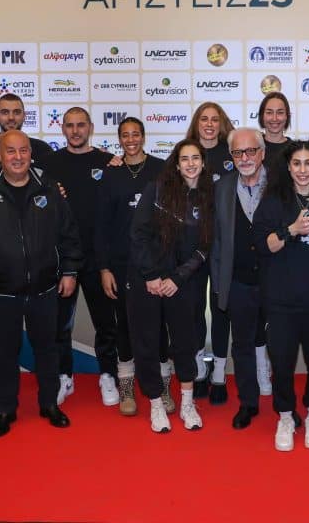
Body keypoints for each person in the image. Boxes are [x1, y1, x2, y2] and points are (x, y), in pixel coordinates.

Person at [0, 130, 83, 438]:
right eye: (11, 151)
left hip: (45, 287)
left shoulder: (50, 188)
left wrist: (69, 272)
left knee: (48, 349)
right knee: (4, 352)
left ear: (31, 153)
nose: (18, 157)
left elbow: (69, 233)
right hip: (1, 290)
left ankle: (49, 404)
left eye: (23, 150)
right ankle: (6, 409)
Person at [127, 138, 213, 433]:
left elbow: (205, 247)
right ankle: (155, 403)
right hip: (147, 281)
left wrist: (177, 278)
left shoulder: (208, 196)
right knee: (147, 343)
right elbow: (138, 234)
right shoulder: (156, 189)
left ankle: (188, 403)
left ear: (203, 162)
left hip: (182, 282)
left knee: (186, 342)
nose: (190, 164)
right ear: (176, 164)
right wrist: (151, 276)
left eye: (195, 158)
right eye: (184, 159)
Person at [254, 141, 309, 450]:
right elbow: (263, 245)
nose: (302, 170)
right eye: (297, 163)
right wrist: (293, 229)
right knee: (283, 362)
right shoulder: (273, 200)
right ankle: (285, 416)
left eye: (308, 163)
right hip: (281, 300)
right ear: (288, 167)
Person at [95, 118, 170, 416]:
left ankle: (162, 385)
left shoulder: (161, 169)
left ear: (143, 136)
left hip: (155, 263)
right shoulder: (111, 173)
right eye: (125, 135)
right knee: (124, 326)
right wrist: (104, 268)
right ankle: (126, 386)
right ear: (119, 139)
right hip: (121, 264)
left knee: (159, 326)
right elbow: (101, 225)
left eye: (135, 134)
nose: (131, 140)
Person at [48, 107, 115, 406]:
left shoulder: (108, 162)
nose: (75, 131)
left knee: (106, 323)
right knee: (60, 325)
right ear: (63, 129)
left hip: (98, 259)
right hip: (63, 260)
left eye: (81, 125)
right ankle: (64, 376)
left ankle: (108, 375)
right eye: (70, 125)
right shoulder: (48, 164)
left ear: (90, 127)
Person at [210, 128, 268, 427]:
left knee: (281, 344)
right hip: (238, 282)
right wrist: (220, 283)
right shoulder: (222, 187)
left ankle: (285, 405)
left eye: (250, 151)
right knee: (242, 345)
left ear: (262, 153)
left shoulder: (281, 185)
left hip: (276, 281)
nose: (244, 158)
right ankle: (248, 403)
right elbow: (217, 240)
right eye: (237, 152)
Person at [184, 102, 235, 398]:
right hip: (191, 244)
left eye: (215, 119)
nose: (209, 124)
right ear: (196, 122)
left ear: (222, 123)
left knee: (220, 307)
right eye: (204, 119)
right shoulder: (186, 153)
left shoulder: (231, 154)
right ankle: (198, 370)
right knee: (193, 308)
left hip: (222, 246)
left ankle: (218, 373)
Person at [0, 93, 55, 173]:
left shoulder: (42, 150)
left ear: (24, 116)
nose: (11, 117)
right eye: (5, 112)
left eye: (16, 112)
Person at [258, 91, 294, 165]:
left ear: (287, 116)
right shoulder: (253, 147)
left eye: (280, 113)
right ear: (262, 116)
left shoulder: (295, 150)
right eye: (269, 113)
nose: (274, 118)